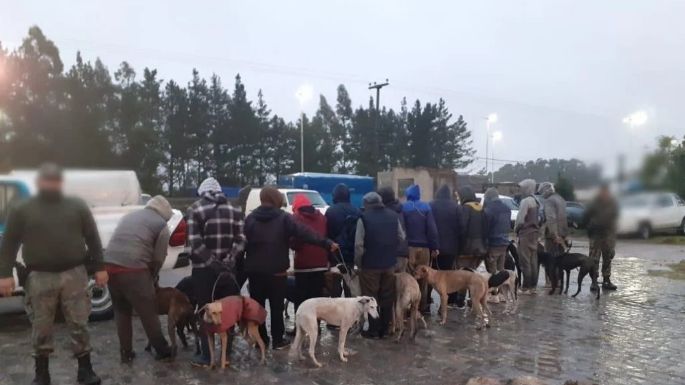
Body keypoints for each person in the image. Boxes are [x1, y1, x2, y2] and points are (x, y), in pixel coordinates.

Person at [0, 163, 106, 385]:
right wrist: (5, 274)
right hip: (39, 276)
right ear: (40, 183)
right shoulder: (22, 208)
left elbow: (93, 238)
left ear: (60, 183)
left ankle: (85, 370)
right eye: (47, 180)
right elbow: (9, 242)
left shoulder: (77, 205)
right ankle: (42, 374)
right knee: (41, 325)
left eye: (55, 180)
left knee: (79, 322)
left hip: (74, 274)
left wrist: (100, 267)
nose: (51, 184)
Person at [244, 186, 337, 350]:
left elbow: (241, 244)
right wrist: (326, 243)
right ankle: (278, 340)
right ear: (276, 199)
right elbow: (305, 233)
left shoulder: (250, 219)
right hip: (277, 271)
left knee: (257, 307)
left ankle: (262, 340)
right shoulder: (284, 218)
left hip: (255, 272)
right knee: (276, 307)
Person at [104, 195, 174, 363]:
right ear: (165, 213)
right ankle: (162, 349)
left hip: (110, 267)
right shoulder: (161, 225)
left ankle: (126, 352)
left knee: (121, 311)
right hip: (134, 270)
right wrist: (153, 276)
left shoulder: (130, 216)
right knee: (148, 310)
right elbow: (158, 257)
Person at [187, 177, 246, 367]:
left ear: (202, 192)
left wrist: (213, 263)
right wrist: (228, 260)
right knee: (226, 311)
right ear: (220, 191)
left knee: (206, 311)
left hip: (204, 271)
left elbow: (195, 243)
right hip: (229, 271)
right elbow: (241, 240)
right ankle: (226, 355)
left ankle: (206, 357)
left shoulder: (195, 209)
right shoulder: (235, 209)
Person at [355, 192, 405, 338]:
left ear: (367, 204)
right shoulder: (393, 215)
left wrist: (359, 263)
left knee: (371, 298)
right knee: (387, 296)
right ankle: (385, 328)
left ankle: (373, 330)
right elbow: (401, 237)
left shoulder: (363, 218)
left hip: (370, 265)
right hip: (389, 264)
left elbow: (358, 245)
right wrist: (391, 250)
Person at [402, 184, 439, 313]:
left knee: (409, 278)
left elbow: (402, 229)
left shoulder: (404, 207)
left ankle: (408, 308)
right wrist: (434, 247)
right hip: (424, 249)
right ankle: (422, 307)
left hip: (409, 248)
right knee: (423, 278)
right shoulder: (426, 207)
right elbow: (432, 230)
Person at [291, 194, 329, 311]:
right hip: (321, 263)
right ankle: (315, 326)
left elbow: (294, 242)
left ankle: (301, 327)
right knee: (316, 299)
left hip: (303, 265)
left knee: (302, 299)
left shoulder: (296, 218)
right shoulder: (322, 217)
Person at [429, 184, 462, 305]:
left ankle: (427, 299)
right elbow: (461, 227)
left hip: (433, 247)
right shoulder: (456, 207)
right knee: (449, 274)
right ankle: (451, 300)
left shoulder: (431, 205)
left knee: (431, 274)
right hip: (451, 248)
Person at [325, 183, 361, 293]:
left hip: (335, 252)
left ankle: (336, 304)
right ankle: (349, 305)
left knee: (335, 283)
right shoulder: (356, 210)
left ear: (335, 195)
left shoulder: (330, 211)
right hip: (351, 253)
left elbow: (326, 232)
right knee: (349, 282)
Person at [582, 183, 619, 291]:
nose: (605, 194)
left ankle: (606, 280)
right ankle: (594, 281)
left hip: (608, 235)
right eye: (604, 192)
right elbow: (585, 218)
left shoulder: (612, 204)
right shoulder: (594, 204)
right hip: (596, 236)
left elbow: (614, 220)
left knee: (608, 257)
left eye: (607, 192)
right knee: (594, 259)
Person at [538, 182, 568, 286]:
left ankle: (551, 282)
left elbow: (551, 219)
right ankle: (559, 281)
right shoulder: (561, 199)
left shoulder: (549, 201)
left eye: (542, 192)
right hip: (563, 234)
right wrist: (563, 236)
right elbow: (564, 217)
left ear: (546, 190)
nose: (542, 194)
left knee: (550, 259)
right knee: (560, 259)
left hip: (552, 236)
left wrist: (554, 235)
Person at [514, 179, 541, 294]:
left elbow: (520, 219)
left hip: (525, 234)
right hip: (535, 234)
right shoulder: (537, 201)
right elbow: (541, 219)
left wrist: (516, 229)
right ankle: (533, 287)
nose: (521, 190)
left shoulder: (525, 201)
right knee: (533, 261)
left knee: (525, 261)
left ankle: (525, 287)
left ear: (527, 188)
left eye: (522, 188)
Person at [377, 186, 409, 273]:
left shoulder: (383, 213)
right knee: (400, 284)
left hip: (389, 255)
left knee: (389, 284)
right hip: (403, 253)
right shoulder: (403, 210)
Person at [483, 188, 512, 274]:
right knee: (501, 269)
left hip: (493, 243)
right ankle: (502, 287)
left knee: (492, 271)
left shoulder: (489, 209)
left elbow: (486, 227)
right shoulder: (507, 208)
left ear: (488, 197)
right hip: (504, 243)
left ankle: (495, 287)